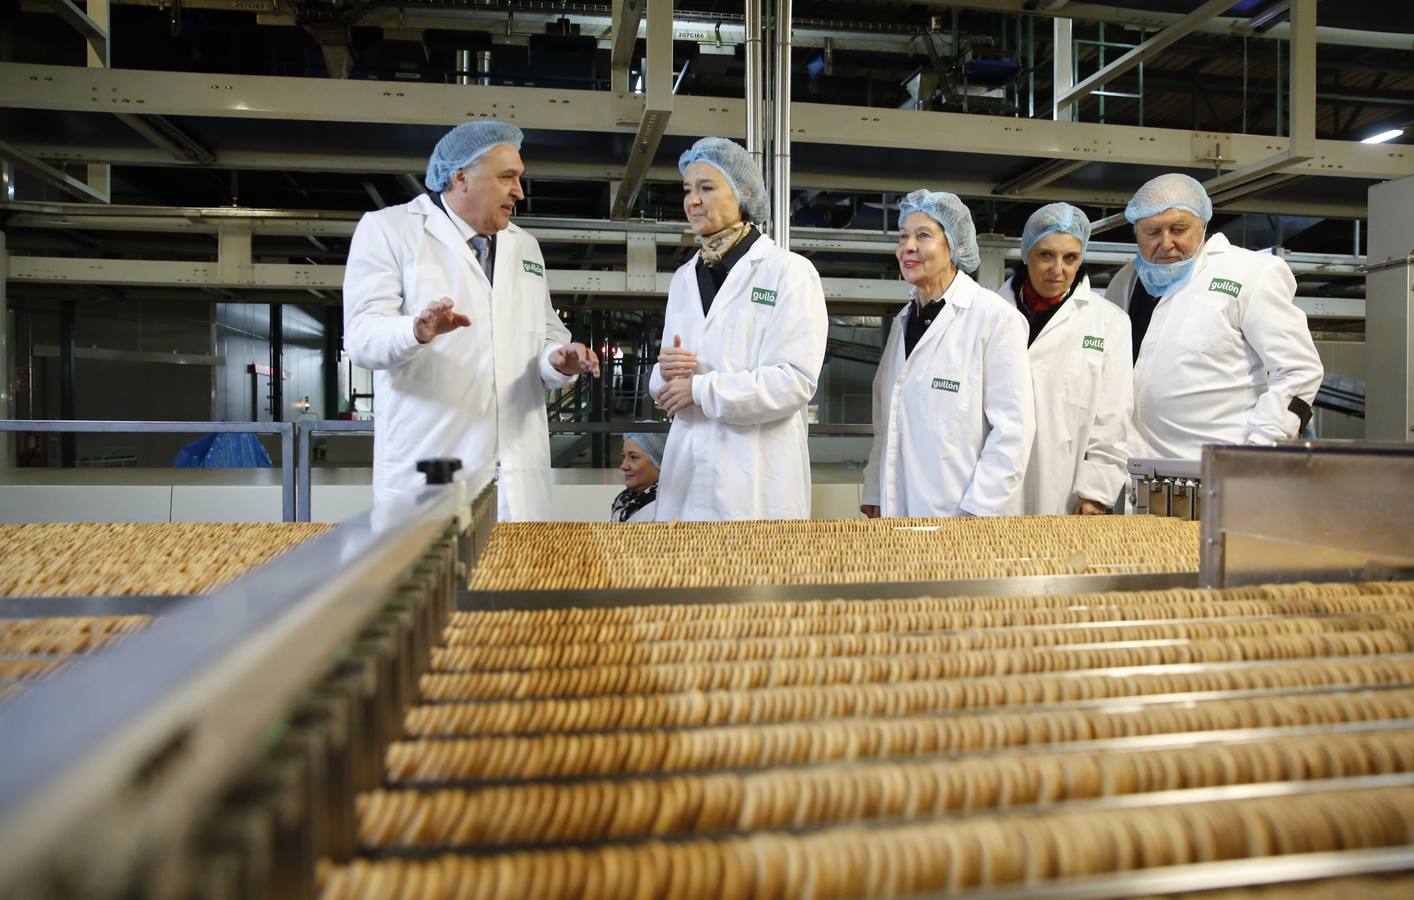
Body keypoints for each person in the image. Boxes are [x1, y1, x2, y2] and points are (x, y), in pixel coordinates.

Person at [343, 121, 600, 519]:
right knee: (435, 578)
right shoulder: (390, 230)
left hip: (517, 471)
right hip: (432, 468)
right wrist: (416, 330)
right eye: (506, 177)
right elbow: (361, 338)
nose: (519, 190)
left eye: (519, 178)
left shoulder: (524, 246)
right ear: (460, 177)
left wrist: (558, 360)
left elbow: (545, 334)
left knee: (517, 578)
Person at [648, 137, 828, 520]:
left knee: (754, 579)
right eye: (687, 190)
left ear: (743, 193)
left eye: (706, 187)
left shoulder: (788, 272)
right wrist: (662, 374)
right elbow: (667, 379)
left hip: (756, 483)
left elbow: (794, 381)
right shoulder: (684, 278)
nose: (692, 200)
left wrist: (699, 389)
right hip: (689, 477)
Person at [1106, 174, 1323, 459]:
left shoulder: (1249, 273)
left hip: (1218, 469)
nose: (1166, 242)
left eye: (1179, 229)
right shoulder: (1126, 282)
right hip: (1134, 470)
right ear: (1136, 232)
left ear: (1203, 225)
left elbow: (1299, 370)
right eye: (1152, 232)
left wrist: (1262, 448)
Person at [861, 190, 1034, 518]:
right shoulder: (903, 321)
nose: (908, 247)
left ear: (956, 246)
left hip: (963, 516)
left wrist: (977, 511)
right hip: (898, 511)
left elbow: (1013, 431)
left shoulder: (993, 318)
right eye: (903, 236)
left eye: (923, 235)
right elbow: (888, 419)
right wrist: (875, 488)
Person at [996, 203, 1132, 515]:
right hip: (991, 486)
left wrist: (1096, 492)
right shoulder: (990, 313)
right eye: (1046, 255)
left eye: (1070, 257)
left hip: (1066, 489)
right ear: (1027, 252)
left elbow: (1113, 419)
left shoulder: (1108, 322)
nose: (1058, 269)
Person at [611, 429, 665, 523]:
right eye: (624, 456)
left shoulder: (665, 507)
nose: (624, 466)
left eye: (633, 457)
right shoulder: (624, 499)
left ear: (658, 460)